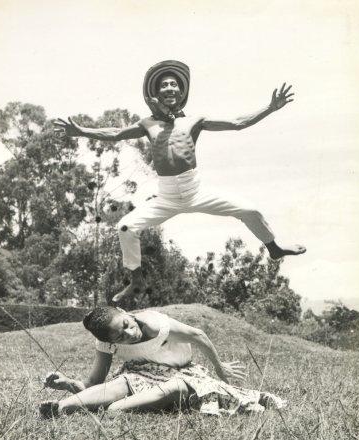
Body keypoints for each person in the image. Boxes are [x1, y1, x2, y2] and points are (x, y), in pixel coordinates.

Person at [54, 60, 306, 302]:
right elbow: (116, 133)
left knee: (251, 211)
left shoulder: (194, 121)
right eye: (164, 85)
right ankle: (136, 280)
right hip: (166, 197)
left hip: (195, 190)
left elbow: (238, 123)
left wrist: (270, 108)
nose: (169, 88)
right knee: (125, 228)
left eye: (174, 84)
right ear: (156, 94)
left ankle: (274, 248)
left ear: (181, 91)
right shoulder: (147, 123)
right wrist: (82, 131)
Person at [39, 306, 286, 418]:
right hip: (142, 374)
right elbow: (94, 384)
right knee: (122, 383)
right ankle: (60, 408)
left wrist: (221, 369)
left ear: (124, 312)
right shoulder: (106, 344)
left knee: (117, 408)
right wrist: (68, 383)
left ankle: (124, 407)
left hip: (182, 374)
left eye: (126, 324)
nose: (130, 333)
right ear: (109, 342)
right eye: (120, 336)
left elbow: (199, 335)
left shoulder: (155, 324)